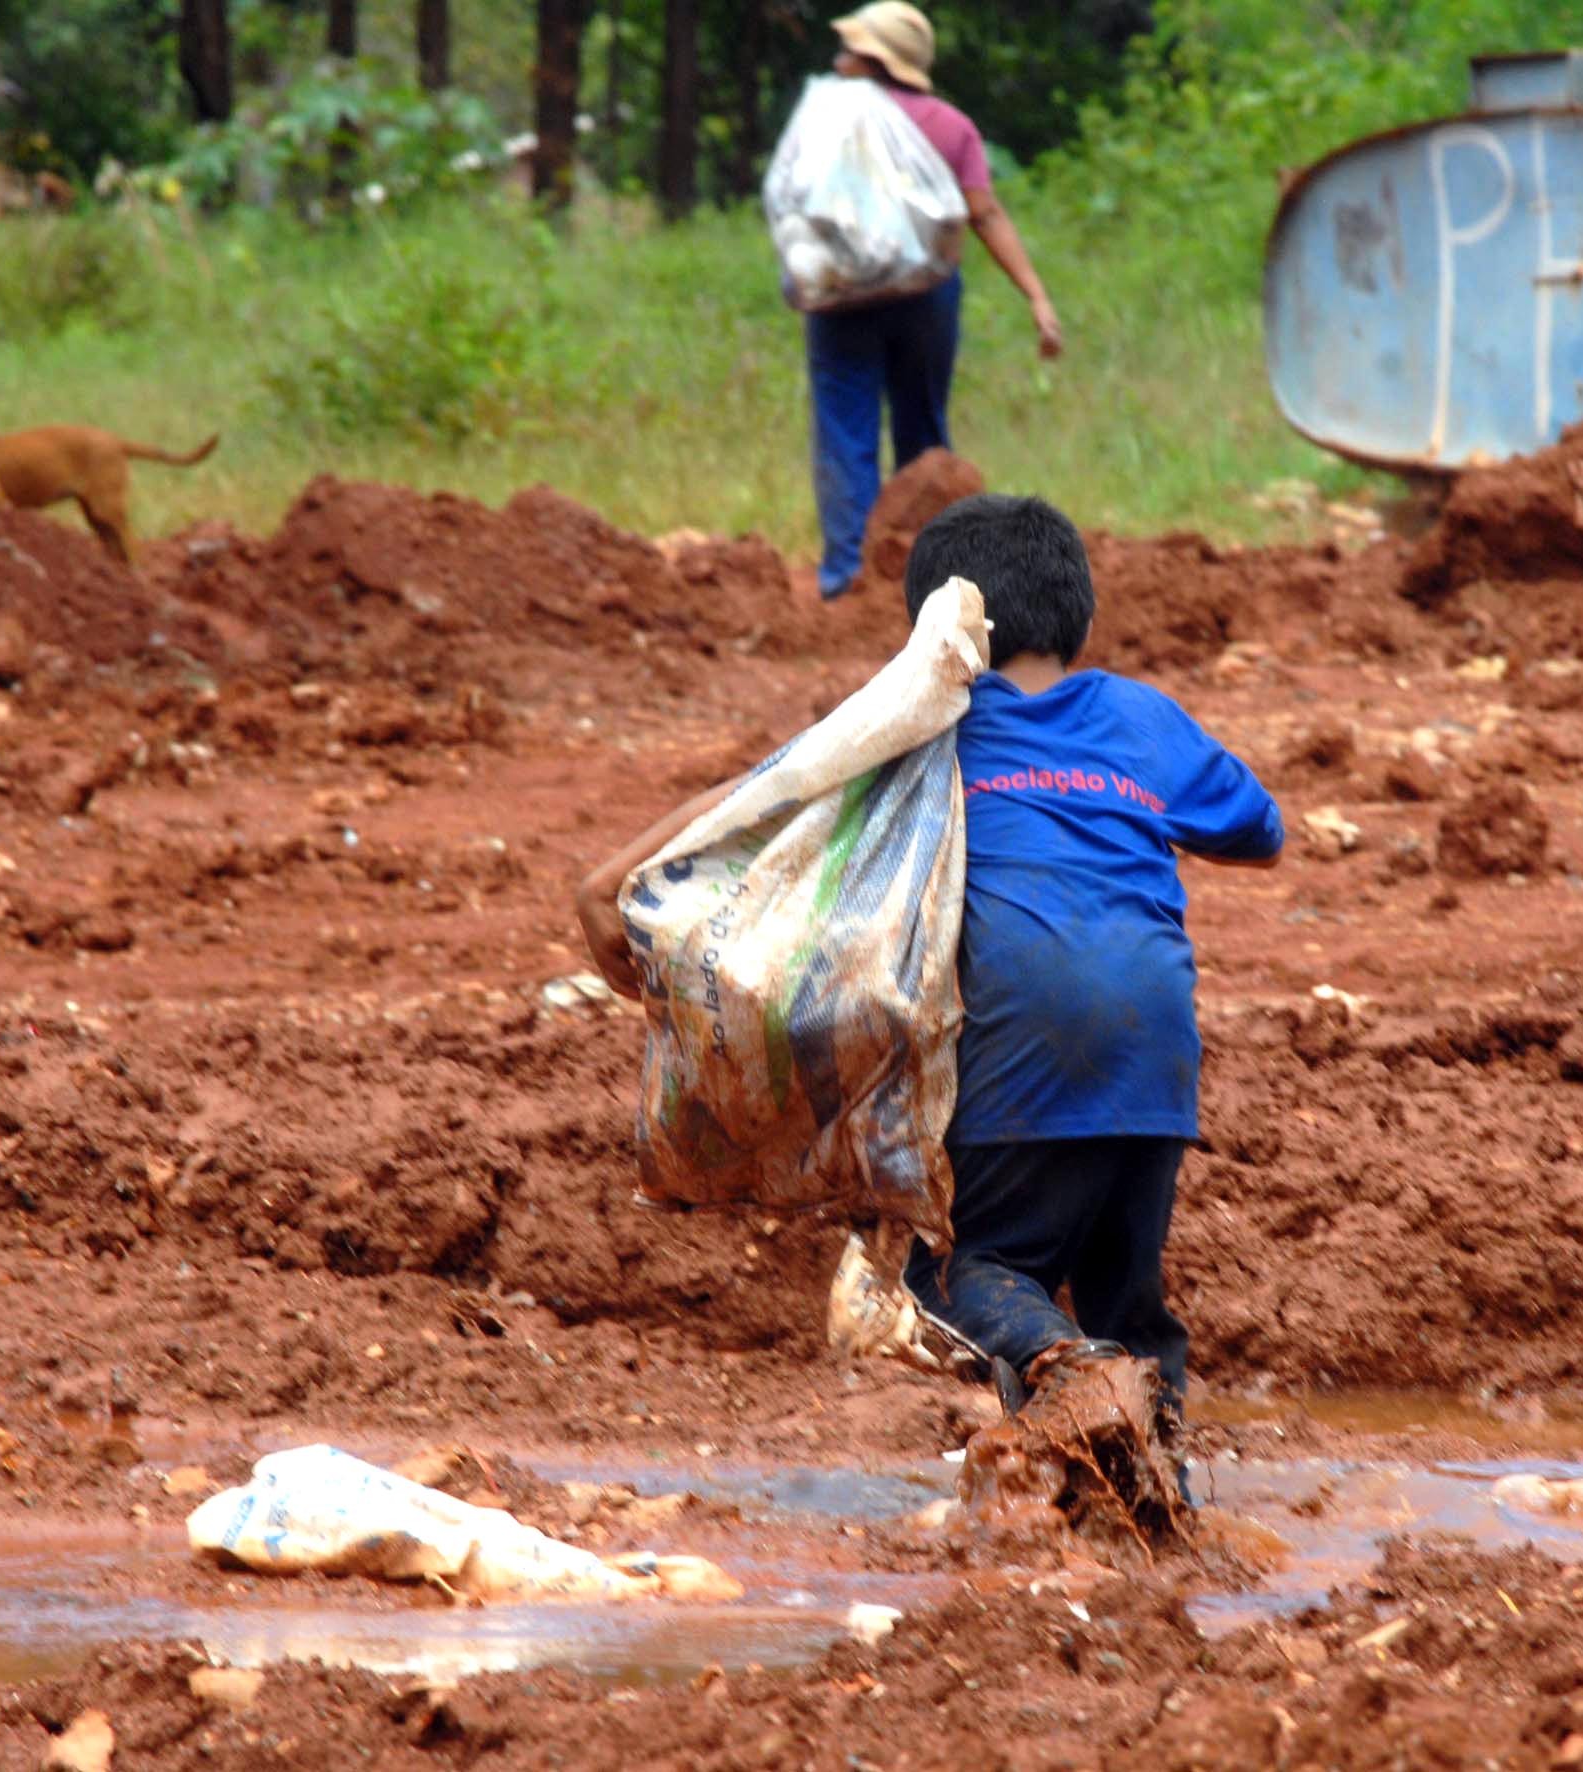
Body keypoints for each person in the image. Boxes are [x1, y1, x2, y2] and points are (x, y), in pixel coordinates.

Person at [574, 494, 1283, 1471]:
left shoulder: (925, 727)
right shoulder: (1140, 717)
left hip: (1019, 1051)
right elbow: (1259, 832)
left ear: (934, 633)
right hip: (1156, 1063)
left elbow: (775, 789)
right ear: (1077, 614)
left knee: (962, 1276)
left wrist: (613, 882)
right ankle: (1154, 1493)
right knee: (1128, 1303)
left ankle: (1067, 1370)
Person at [803, 3, 1062, 601]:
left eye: (850, 50)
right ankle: (927, 581)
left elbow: (799, 202)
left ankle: (849, 580)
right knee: (923, 436)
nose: (839, 60)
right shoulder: (949, 126)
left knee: (845, 434)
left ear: (874, 60)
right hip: (925, 301)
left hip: (841, 299)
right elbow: (984, 214)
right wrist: (1036, 296)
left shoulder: (829, 120)